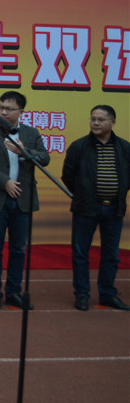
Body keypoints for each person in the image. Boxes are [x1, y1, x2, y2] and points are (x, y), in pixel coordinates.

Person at [0, 91, 50, 310]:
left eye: (9, 109)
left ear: (21, 111)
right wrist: (5, 182)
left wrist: (24, 151)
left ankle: (14, 292)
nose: (4, 112)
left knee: (18, 249)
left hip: (23, 200)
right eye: (1, 107)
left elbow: (44, 158)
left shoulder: (31, 133)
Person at [62, 105, 130, 311]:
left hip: (114, 208)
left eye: (101, 119)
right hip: (86, 209)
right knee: (80, 254)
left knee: (111, 255)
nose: (96, 123)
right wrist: (84, 194)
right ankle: (82, 294)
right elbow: (68, 176)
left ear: (113, 122)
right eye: (93, 119)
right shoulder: (79, 146)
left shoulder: (125, 148)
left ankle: (107, 294)